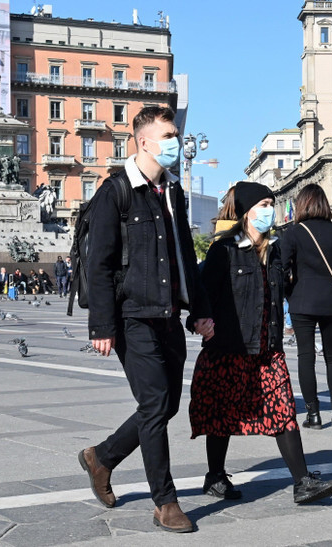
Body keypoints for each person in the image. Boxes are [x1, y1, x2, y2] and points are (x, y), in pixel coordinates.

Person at [79, 106, 213, 534]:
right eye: (169, 135)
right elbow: (98, 264)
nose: (175, 141)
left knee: (167, 404)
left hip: (168, 314)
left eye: (176, 134)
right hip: (131, 315)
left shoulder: (172, 192)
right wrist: (102, 325)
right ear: (144, 142)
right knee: (154, 404)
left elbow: (183, 256)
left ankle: (102, 457)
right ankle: (165, 501)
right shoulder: (115, 192)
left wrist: (200, 310)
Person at [190, 181, 332, 505]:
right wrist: (198, 319)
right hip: (229, 349)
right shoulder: (224, 250)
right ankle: (215, 475)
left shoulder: (275, 252)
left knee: (283, 410)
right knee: (222, 416)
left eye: (272, 204)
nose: (271, 211)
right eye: (264, 205)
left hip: (267, 352)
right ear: (246, 212)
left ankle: (302, 481)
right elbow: (199, 291)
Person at [281, 183, 332, 428]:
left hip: (301, 300)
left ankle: (313, 415)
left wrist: (290, 292)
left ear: (301, 205)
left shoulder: (293, 232)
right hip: (331, 301)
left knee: (306, 356)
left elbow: (281, 268)